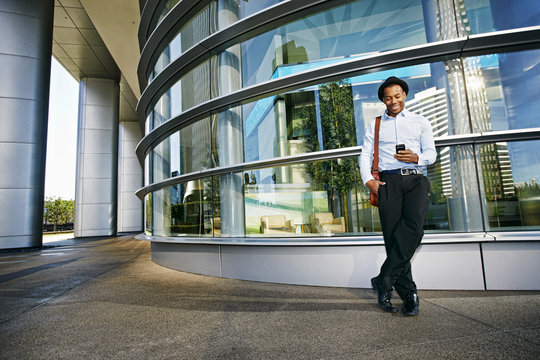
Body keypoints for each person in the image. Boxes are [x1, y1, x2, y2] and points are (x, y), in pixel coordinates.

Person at [360, 76, 437, 315]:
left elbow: (431, 152)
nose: (393, 101)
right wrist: (369, 181)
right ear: (383, 100)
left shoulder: (420, 121)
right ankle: (409, 294)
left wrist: (418, 158)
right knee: (394, 238)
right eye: (388, 97)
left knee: (414, 230)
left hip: (416, 179)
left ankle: (384, 279)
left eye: (397, 95)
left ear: (404, 95)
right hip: (388, 182)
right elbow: (364, 154)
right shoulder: (375, 124)